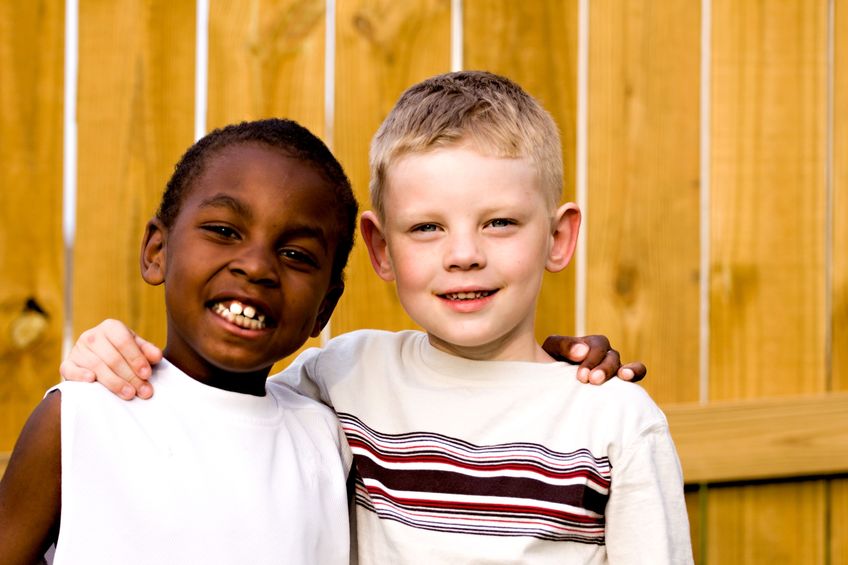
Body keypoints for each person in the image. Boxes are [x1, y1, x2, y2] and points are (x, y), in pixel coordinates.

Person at [61, 71, 686, 564]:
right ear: (381, 250)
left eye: (499, 222)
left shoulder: (614, 419)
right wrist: (102, 351)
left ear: (558, 237)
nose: (464, 254)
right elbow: (220, 417)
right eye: (426, 227)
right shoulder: (340, 378)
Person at [0, 119, 360, 564]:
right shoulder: (79, 417)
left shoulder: (326, 441)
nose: (256, 267)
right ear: (157, 252)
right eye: (224, 231)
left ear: (323, 308)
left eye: (295, 255)